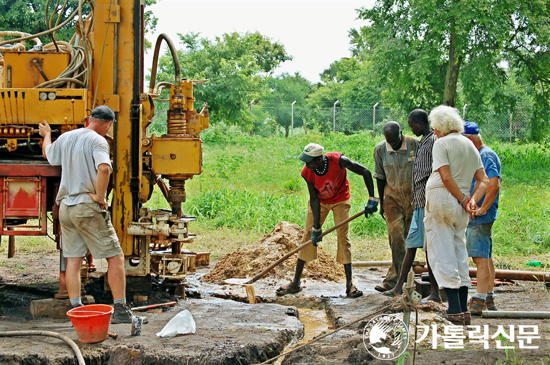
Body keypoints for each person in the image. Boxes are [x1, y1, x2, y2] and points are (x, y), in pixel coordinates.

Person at [39, 106, 136, 324]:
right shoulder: (98, 141)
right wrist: (100, 197)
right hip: (86, 206)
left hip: (66, 208)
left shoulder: (66, 137)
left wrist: (46, 135)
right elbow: (104, 168)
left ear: (89, 119)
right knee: (115, 256)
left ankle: (77, 309)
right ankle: (120, 309)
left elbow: (48, 154)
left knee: (73, 258)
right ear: (108, 124)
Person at [276, 143, 378, 298]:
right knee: (308, 235)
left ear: (319, 159)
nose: (306, 165)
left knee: (343, 238)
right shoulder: (307, 172)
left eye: (309, 161)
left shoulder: (339, 160)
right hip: (320, 202)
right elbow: (314, 199)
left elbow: (365, 171)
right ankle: (295, 283)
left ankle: (350, 285)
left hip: (341, 200)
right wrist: (317, 227)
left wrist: (372, 198)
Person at [424, 106, 489, 325]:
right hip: (462, 204)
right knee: (459, 250)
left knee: (442, 251)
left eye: (435, 128)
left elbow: (445, 177)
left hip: (444, 200)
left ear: (441, 127)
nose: (434, 132)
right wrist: (471, 200)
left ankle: (453, 309)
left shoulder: (441, 143)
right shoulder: (469, 145)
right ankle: (463, 309)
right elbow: (483, 180)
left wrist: (463, 199)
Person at [383, 110, 440, 302]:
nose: (411, 128)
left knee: (428, 247)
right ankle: (399, 285)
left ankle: (435, 292)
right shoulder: (424, 141)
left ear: (420, 124)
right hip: (417, 202)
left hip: (425, 201)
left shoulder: (430, 142)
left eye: (412, 125)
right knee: (410, 244)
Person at [373, 121, 418, 293]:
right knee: (396, 238)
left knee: (408, 240)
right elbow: (379, 176)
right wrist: (382, 202)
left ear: (401, 133)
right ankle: (402, 281)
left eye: (394, 139)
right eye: (388, 140)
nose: (391, 143)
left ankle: (395, 279)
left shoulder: (415, 144)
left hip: (413, 199)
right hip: (392, 198)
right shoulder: (380, 149)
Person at [463, 121, 501, 315]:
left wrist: (482, 210)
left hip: (480, 216)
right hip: (480, 213)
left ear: (470, 139)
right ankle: (488, 296)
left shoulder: (484, 155)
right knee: (485, 256)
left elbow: (493, 184)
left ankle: (478, 300)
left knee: (479, 258)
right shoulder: (484, 154)